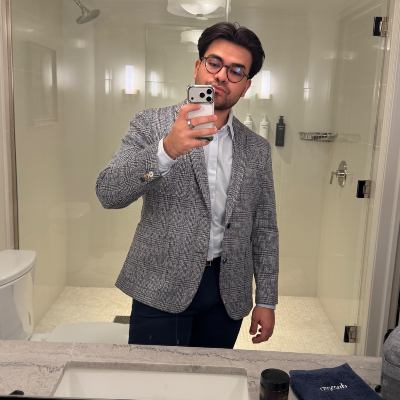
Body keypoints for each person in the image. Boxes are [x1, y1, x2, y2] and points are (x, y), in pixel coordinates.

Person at [96, 21, 279, 349]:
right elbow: (109, 193)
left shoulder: (257, 149)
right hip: (159, 285)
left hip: (227, 292)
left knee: (212, 376)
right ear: (198, 67)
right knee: (154, 377)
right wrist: (166, 151)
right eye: (214, 63)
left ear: (246, 86)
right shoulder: (151, 124)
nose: (221, 76)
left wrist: (266, 299)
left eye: (236, 70)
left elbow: (264, 228)